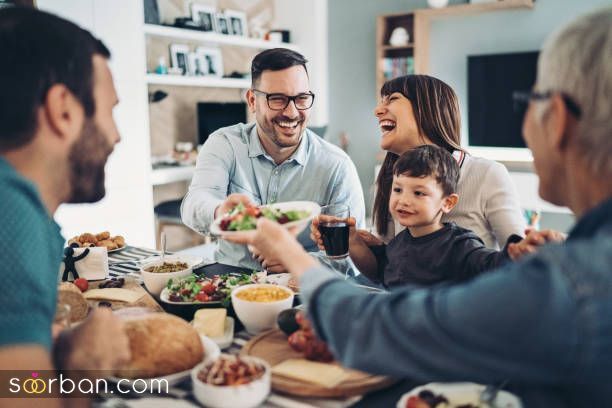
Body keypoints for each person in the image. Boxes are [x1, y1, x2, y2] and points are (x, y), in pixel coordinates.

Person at [225, 7, 612, 406]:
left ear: (559, 119)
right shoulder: (573, 269)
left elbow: (378, 326)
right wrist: (354, 242)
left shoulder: (564, 280)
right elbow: (392, 262)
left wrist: (284, 244)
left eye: (530, 99)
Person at [0, 5, 129, 393]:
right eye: (109, 111)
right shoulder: (12, 215)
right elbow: (23, 394)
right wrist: (85, 368)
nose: (116, 135)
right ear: (63, 110)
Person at [182, 48, 365, 272]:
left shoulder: (337, 166)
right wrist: (222, 212)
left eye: (301, 98)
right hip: (230, 280)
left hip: (301, 289)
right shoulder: (224, 143)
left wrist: (296, 262)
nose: (291, 112)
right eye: (277, 99)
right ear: (252, 100)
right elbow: (194, 203)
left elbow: (353, 257)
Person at [369, 75, 526, 249]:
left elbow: (519, 257)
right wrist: (356, 243)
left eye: (392, 99)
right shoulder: (389, 179)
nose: (377, 111)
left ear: (427, 109)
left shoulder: (487, 173)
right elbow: (386, 268)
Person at [346, 145, 525, 288]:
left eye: (418, 193)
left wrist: (516, 251)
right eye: (398, 190)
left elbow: (492, 265)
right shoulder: (399, 243)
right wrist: (353, 239)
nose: (403, 201)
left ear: (447, 203)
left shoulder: (459, 245)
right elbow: (380, 272)